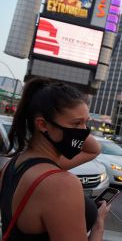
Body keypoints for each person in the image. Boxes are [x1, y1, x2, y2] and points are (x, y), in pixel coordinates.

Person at [0, 78, 109, 241]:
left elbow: (93, 150)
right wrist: (98, 227)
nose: (84, 131)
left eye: (86, 123)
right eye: (76, 123)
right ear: (43, 125)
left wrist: (78, 127)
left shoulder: (14, 164)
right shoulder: (60, 184)